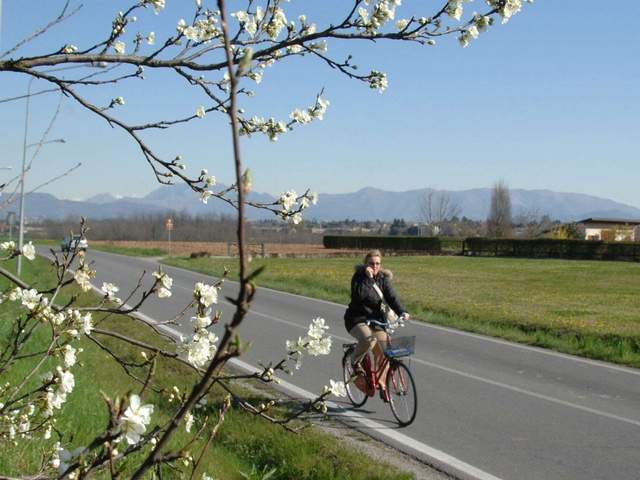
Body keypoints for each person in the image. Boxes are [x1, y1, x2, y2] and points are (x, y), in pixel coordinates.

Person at [344, 249, 410, 401]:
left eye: (377, 264)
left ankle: (382, 386)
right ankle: (355, 362)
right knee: (369, 339)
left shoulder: (383, 279)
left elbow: (392, 298)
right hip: (356, 319)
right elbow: (358, 296)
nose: (374, 266)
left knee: (384, 350)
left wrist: (403, 312)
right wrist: (368, 278)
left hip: (376, 321)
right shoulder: (358, 277)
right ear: (366, 264)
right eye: (371, 263)